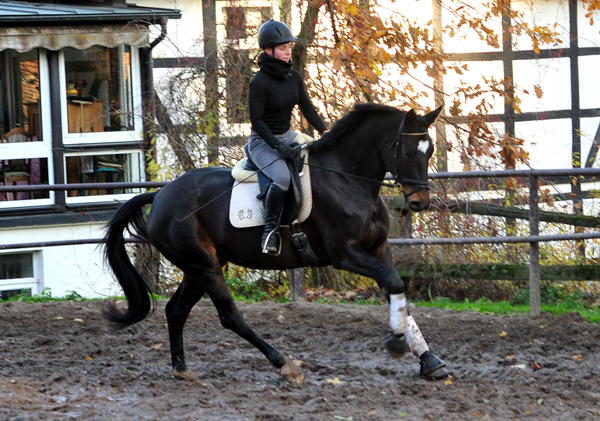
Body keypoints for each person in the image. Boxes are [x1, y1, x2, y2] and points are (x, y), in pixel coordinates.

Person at [247, 19, 328, 255]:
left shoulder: (293, 77)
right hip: (263, 142)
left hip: (288, 135)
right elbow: (257, 122)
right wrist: (278, 147)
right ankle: (269, 233)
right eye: (282, 48)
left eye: (289, 47)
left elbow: (308, 107)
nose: (287, 52)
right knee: (281, 178)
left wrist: (325, 131)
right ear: (268, 50)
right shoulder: (259, 82)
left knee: (318, 162)